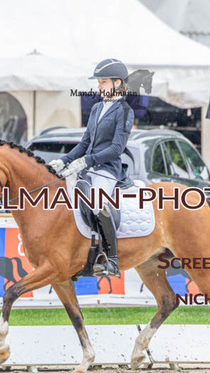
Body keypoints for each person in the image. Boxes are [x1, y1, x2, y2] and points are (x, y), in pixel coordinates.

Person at [48, 58, 134, 277]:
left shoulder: (125, 111)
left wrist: (88, 160)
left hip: (107, 170)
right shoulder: (96, 108)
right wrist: (65, 160)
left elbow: (116, 148)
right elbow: (85, 143)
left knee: (97, 204)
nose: (99, 86)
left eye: (103, 82)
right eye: (99, 82)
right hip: (89, 169)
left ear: (117, 83)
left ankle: (112, 261)